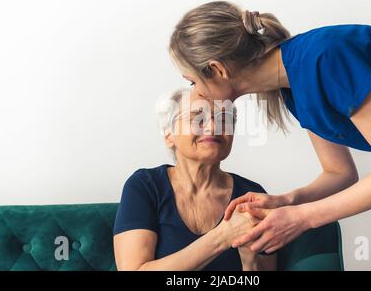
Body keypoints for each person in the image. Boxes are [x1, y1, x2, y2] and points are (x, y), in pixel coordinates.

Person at [168, 1, 371, 270]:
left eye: (193, 82)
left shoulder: (324, 57)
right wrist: (287, 201)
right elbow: (339, 172)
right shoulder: (291, 90)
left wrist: (303, 217)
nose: (196, 94)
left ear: (217, 70)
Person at [113, 89, 277, 270]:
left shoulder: (252, 195)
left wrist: (250, 257)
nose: (213, 127)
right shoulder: (144, 186)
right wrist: (223, 236)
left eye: (224, 119)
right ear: (169, 135)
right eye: (197, 118)